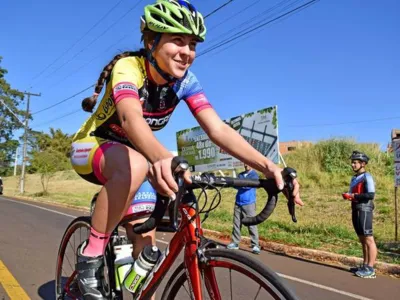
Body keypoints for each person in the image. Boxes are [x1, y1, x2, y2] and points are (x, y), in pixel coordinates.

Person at [70, 0, 303, 298]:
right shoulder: (128, 68)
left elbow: (217, 129)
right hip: (92, 146)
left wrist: (268, 165)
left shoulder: (184, 82)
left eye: (192, 44)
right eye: (177, 40)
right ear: (152, 41)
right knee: (141, 164)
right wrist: (164, 157)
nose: (187, 52)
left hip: (136, 158)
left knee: (146, 240)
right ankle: (91, 254)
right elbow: (130, 119)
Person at [342, 151, 377, 278]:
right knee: (362, 239)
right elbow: (353, 193)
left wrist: (354, 195)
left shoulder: (367, 176)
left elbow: (370, 194)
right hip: (355, 208)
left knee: (369, 239)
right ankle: (365, 264)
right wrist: (349, 195)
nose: (352, 164)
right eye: (352, 162)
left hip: (365, 208)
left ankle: (371, 268)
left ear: (363, 164)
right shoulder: (354, 178)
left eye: (355, 162)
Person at [227, 164, 261, 254]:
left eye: (248, 163)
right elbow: (235, 185)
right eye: (245, 163)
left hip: (249, 203)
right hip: (238, 202)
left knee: (252, 224)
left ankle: (255, 245)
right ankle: (235, 243)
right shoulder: (240, 175)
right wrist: (241, 184)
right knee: (236, 224)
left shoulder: (254, 175)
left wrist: (240, 184)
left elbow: (249, 185)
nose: (246, 165)